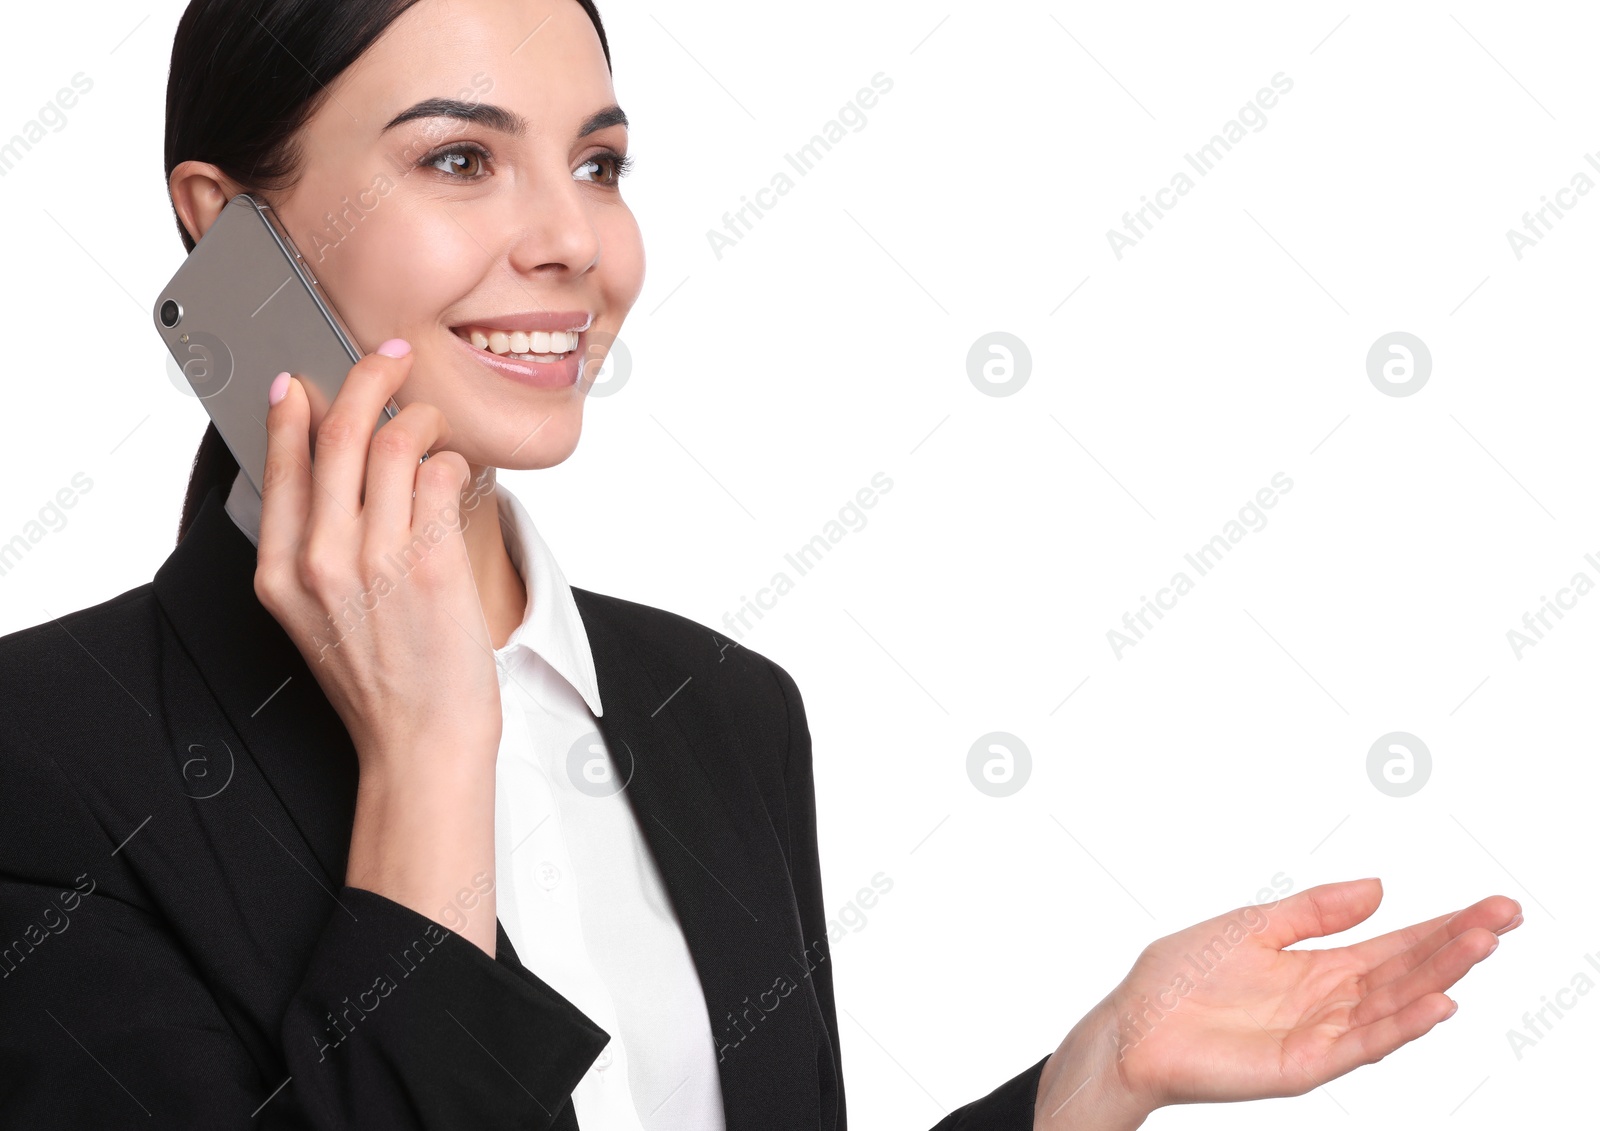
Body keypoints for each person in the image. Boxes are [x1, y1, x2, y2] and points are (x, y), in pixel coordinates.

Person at [0, 1, 1521, 1127]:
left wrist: (1092, 1076)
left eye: (598, 163)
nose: (572, 242)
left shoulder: (715, 710)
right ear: (226, 232)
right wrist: (426, 759)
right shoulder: (45, 759)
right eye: (460, 158)